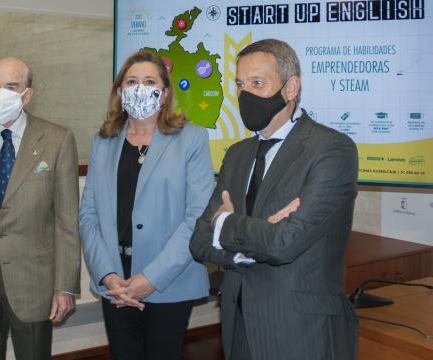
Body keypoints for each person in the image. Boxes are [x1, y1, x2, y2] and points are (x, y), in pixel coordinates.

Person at [190, 38, 359, 360]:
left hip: (299, 330)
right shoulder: (238, 154)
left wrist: (224, 223)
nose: (246, 94)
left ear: (291, 87)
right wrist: (246, 251)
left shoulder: (331, 149)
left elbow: (283, 244)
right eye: (240, 84)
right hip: (238, 324)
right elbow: (199, 241)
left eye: (258, 83)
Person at [79, 50, 214, 360]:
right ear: (119, 91)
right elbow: (88, 215)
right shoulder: (103, 141)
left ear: (165, 93)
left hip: (169, 281)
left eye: (149, 81)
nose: (139, 88)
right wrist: (107, 275)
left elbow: (197, 217)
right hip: (116, 282)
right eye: (131, 81)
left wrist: (151, 279)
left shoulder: (191, 139)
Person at [0, 57, 80, 360]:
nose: (1, 94)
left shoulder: (57, 139)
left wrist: (65, 286)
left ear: (28, 94)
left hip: (34, 283)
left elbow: (67, 221)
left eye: (11, 87)